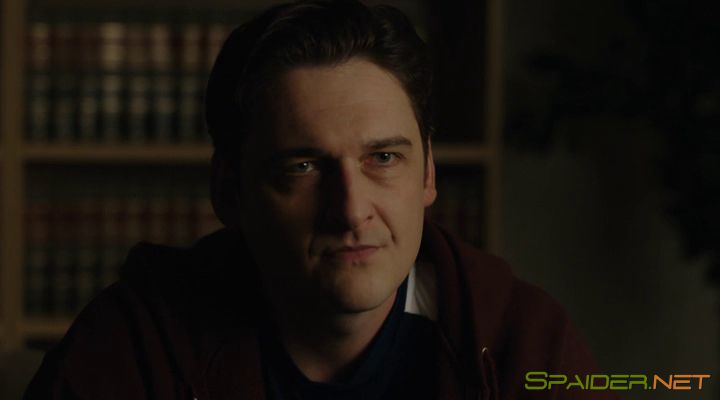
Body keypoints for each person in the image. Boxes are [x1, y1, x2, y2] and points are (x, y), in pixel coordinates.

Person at [25, 1, 617, 399]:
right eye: (303, 167)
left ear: (429, 173)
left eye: (383, 158)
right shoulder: (135, 347)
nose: (351, 210)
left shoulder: (520, 344)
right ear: (229, 192)